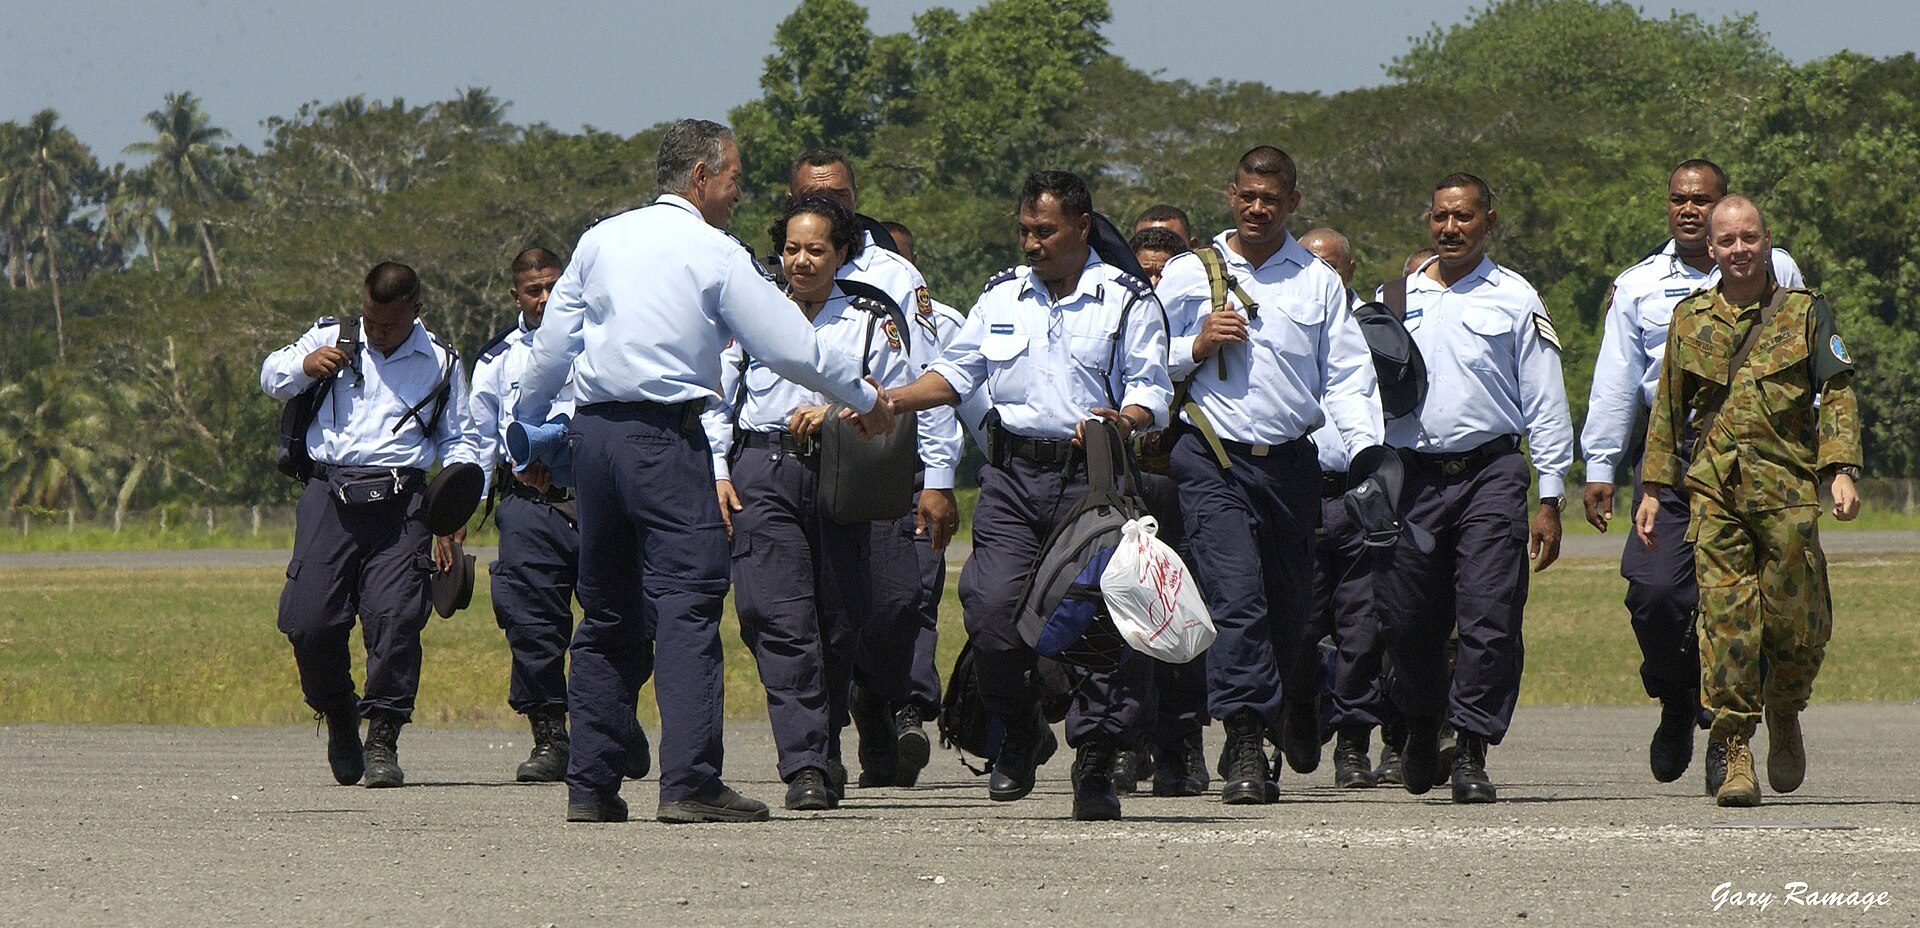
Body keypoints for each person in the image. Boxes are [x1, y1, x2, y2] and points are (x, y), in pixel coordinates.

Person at [513, 119, 893, 825]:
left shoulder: (600, 241)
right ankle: (689, 782)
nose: (738, 193)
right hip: (664, 439)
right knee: (687, 608)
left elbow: (551, 350)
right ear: (699, 178)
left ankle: (591, 786)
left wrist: (526, 438)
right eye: (733, 179)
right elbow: (790, 346)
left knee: (605, 612)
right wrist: (866, 397)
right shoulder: (715, 252)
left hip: (595, 439)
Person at [887, 170, 1172, 821]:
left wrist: (1121, 420)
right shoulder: (1002, 296)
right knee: (989, 609)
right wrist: (891, 400)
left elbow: (1152, 392)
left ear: (1080, 226)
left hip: (1093, 477)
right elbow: (956, 373)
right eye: (1024, 230)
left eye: (1044, 231)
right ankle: (1019, 730)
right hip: (1015, 477)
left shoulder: (1126, 299)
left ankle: (1096, 761)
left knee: (1097, 620)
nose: (1032, 242)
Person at [1156, 148, 1382, 805]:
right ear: (1231, 194)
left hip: (1290, 464)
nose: (1258, 208)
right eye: (1247, 195)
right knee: (1238, 599)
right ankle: (1247, 740)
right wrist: (1194, 346)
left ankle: (1291, 700)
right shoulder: (1185, 276)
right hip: (1211, 458)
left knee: (1291, 618)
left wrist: (1367, 450)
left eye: (1271, 198)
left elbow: (1345, 375)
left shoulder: (1316, 281)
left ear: (1292, 201)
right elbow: (1141, 365)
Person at [1581, 160, 1805, 789]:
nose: (1689, 210)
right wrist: (1600, 464)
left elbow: (1804, 358)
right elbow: (1616, 381)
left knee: (1739, 604)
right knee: (1654, 595)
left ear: (1725, 205)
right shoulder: (1639, 286)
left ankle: (1726, 732)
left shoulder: (1777, 268)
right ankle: (1677, 699)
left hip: (1760, 463)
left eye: (1702, 200)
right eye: (1678, 199)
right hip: (1674, 457)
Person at [1636, 195, 1860, 808]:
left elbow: (1836, 393)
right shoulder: (1689, 320)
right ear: (1711, 248)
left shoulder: (1806, 313)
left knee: (1796, 622)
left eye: (1750, 238)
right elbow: (1667, 409)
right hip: (1716, 491)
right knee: (1727, 623)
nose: (1739, 249)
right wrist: (1653, 487)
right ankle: (1735, 748)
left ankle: (1785, 710)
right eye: (1727, 240)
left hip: (1787, 491)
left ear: (1768, 242)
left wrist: (1839, 468)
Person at [704, 198, 917, 811]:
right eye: (791, 249)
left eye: (816, 249)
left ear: (841, 253)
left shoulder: (875, 317)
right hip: (762, 470)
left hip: (842, 474)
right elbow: (717, 397)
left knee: (840, 618)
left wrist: (836, 412)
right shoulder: (752, 312)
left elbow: (889, 398)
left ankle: (825, 749)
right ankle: (802, 764)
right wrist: (718, 470)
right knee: (777, 617)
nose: (801, 261)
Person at [1372, 173, 1572, 804]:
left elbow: (1544, 398)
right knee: (1408, 620)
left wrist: (1551, 494)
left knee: (1489, 615)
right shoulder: (1394, 296)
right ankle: (1422, 723)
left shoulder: (1515, 297)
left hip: (1491, 473)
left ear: (1489, 221)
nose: (1450, 229)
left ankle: (1472, 747)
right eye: (1440, 217)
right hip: (1411, 480)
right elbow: (1355, 389)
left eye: (1463, 218)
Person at [260, 261, 474, 789]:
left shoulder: (442, 363)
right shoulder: (333, 336)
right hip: (329, 495)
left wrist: (453, 515)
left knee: (396, 618)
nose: (377, 334)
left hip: (403, 505)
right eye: (370, 321)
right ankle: (338, 711)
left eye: (389, 326)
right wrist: (306, 366)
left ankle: (382, 735)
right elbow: (270, 376)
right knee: (309, 621)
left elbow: (462, 442)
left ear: (415, 313)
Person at [788, 151, 962, 790]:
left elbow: (927, 379)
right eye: (811, 194)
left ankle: (878, 695)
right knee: (806, 613)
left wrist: (938, 478)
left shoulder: (894, 275)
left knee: (891, 604)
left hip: (880, 466)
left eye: (836, 194)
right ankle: (822, 745)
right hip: (794, 468)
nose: (826, 202)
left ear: (855, 197)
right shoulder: (772, 273)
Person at [461, 246, 653, 783]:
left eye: (552, 287)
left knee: (622, 614)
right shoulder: (497, 360)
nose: (544, 299)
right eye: (532, 290)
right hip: (529, 504)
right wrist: (461, 511)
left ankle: (616, 721)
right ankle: (550, 736)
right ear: (516, 296)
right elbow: (478, 439)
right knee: (530, 620)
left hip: (599, 498)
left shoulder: (603, 341)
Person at [879, 220, 988, 787]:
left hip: (917, 474)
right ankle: (870, 710)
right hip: (844, 475)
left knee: (918, 593)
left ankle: (911, 713)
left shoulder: (944, 325)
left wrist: (947, 478)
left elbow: (966, 405)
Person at [1297, 226, 1393, 789]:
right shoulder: (1280, 315)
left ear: (1349, 272)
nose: (1318, 274)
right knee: (1299, 621)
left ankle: (1355, 738)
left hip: (1362, 493)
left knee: (1364, 623)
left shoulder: (1378, 329)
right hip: (1300, 491)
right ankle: (1302, 715)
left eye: (1330, 265)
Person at [1121, 225, 1209, 798]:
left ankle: (1183, 746)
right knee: (1126, 617)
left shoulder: (1207, 327)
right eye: (1144, 273)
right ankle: (1127, 743)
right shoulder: (1120, 321)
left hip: (1189, 488)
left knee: (1183, 614)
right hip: (1128, 489)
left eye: (1165, 274)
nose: (1153, 285)